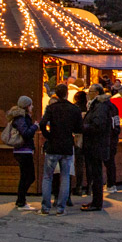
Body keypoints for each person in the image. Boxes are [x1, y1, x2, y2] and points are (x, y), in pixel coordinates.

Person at [40, 83, 82, 215]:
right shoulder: (74, 109)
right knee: (65, 177)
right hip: (66, 146)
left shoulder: (51, 108)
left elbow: (42, 123)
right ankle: (61, 208)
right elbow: (78, 128)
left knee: (47, 177)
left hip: (53, 145)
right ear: (66, 93)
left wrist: (48, 135)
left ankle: (46, 207)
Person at [79, 85, 116, 211]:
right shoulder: (97, 106)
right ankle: (95, 201)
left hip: (96, 145)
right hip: (96, 144)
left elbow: (97, 125)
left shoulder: (100, 107)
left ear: (96, 93)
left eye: (90, 92)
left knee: (96, 174)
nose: (88, 94)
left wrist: (83, 127)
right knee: (95, 174)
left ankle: (97, 202)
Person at [4, 95, 39, 210]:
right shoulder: (21, 118)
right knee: (28, 176)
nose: (32, 107)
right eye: (31, 105)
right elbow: (26, 133)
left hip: (22, 150)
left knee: (25, 176)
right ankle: (21, 201)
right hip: (24, 151)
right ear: (27, 106)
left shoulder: (20, 117)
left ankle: (21, 200)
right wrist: (35, 126)